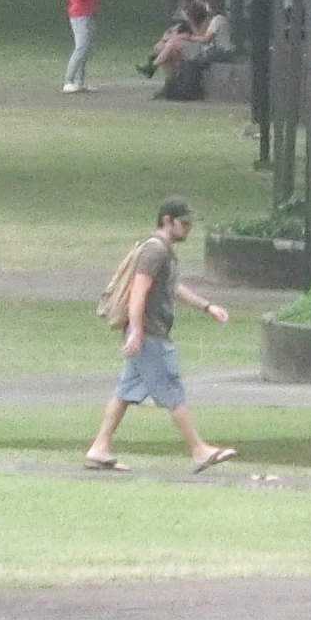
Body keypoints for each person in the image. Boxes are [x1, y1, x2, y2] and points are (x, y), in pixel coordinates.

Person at [85, 197, 236, 472]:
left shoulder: (163, 252)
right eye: (184, 223)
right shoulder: (155, 252)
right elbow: (138, 293)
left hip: (149, 332)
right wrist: (136, 332)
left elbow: (173, 287)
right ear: (167, 220)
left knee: (126, 391)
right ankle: (199, 450)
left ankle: (100, 446)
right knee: (172, 390)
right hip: (150, 335)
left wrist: (207, 306)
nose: (189, 229)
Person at [63, 0, 100, 94]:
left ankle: (79, 81)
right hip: (80, 14)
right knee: (81, 47)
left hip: (88, 12)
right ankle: (68, 80)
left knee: (86, 48)